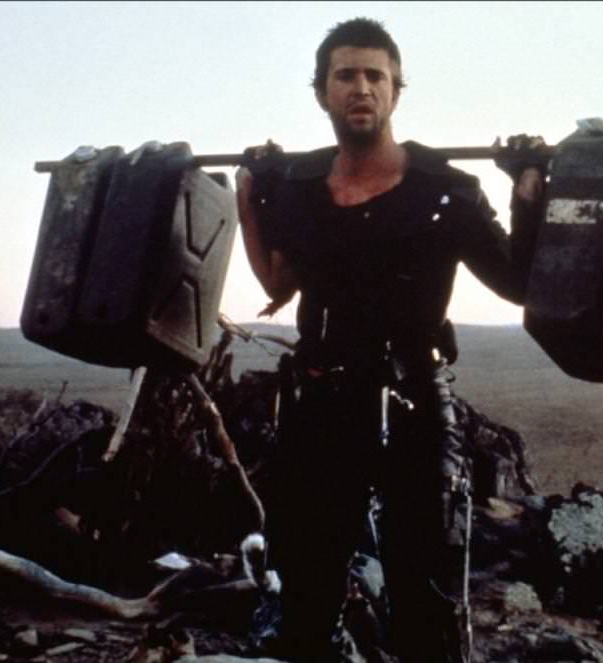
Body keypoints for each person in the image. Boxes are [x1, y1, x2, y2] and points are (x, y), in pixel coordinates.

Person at [235, 17, 545, 662]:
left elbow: (518, 283)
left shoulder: (446, 191)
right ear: (321, 91)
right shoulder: (300, 188)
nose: (361, 88)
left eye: (376, 76)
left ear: (396, 91)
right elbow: (277, 281)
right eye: (345, 75)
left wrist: (528, 191)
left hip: (413, 405)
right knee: (306, 597)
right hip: (321, 404)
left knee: (424, 603)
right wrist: (250, 197)